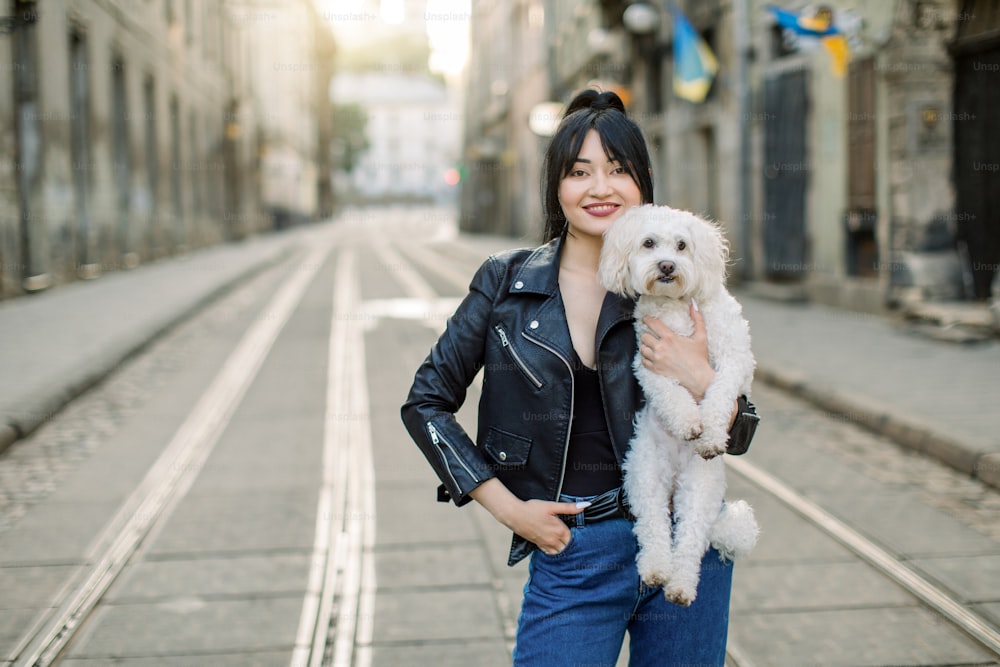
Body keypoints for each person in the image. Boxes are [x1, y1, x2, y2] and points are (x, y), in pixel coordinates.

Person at [401, 89, 759, 666]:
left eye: (618, 171)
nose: (600, 188)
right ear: (557, 186)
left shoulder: (677, 286)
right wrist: (509, 508)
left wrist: (696, 372)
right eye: (579, 172)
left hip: (687, 545)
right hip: (572, 550)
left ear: (642, 182)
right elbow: (426, 404)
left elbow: (737, 432)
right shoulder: (506, 283)